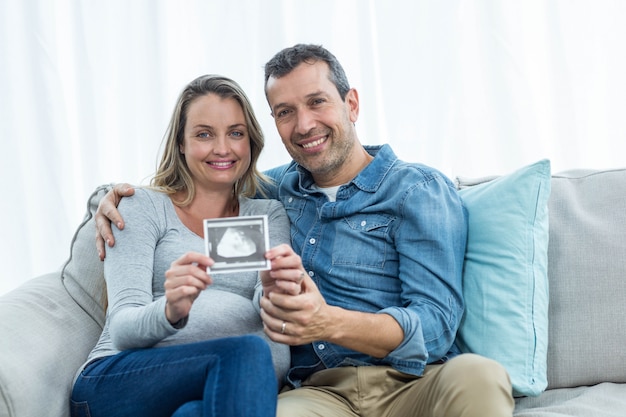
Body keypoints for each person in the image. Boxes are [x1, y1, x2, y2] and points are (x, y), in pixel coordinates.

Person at [96, 45, 515, 416]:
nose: (304, 125)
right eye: (285, 112)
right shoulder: (280, 191)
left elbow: (437, 325)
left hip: (416, 381)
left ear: (351, 104)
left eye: (317, 102)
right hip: (318, 392)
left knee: (479, 375)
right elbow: (205, 177)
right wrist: (104, 199)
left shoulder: (417, 190)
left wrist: (327, 323)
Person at [72, 74, 299, 417]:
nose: (222, 148)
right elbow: (121, 328)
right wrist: (170, 310)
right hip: (118, 380)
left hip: (224, 385)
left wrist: (272, 288)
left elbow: (270, 309)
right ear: (181, 142)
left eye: (235, 133)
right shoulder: (142, 206)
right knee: (247, 352)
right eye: (204, 134)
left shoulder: (267, 213)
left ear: (250, 141)